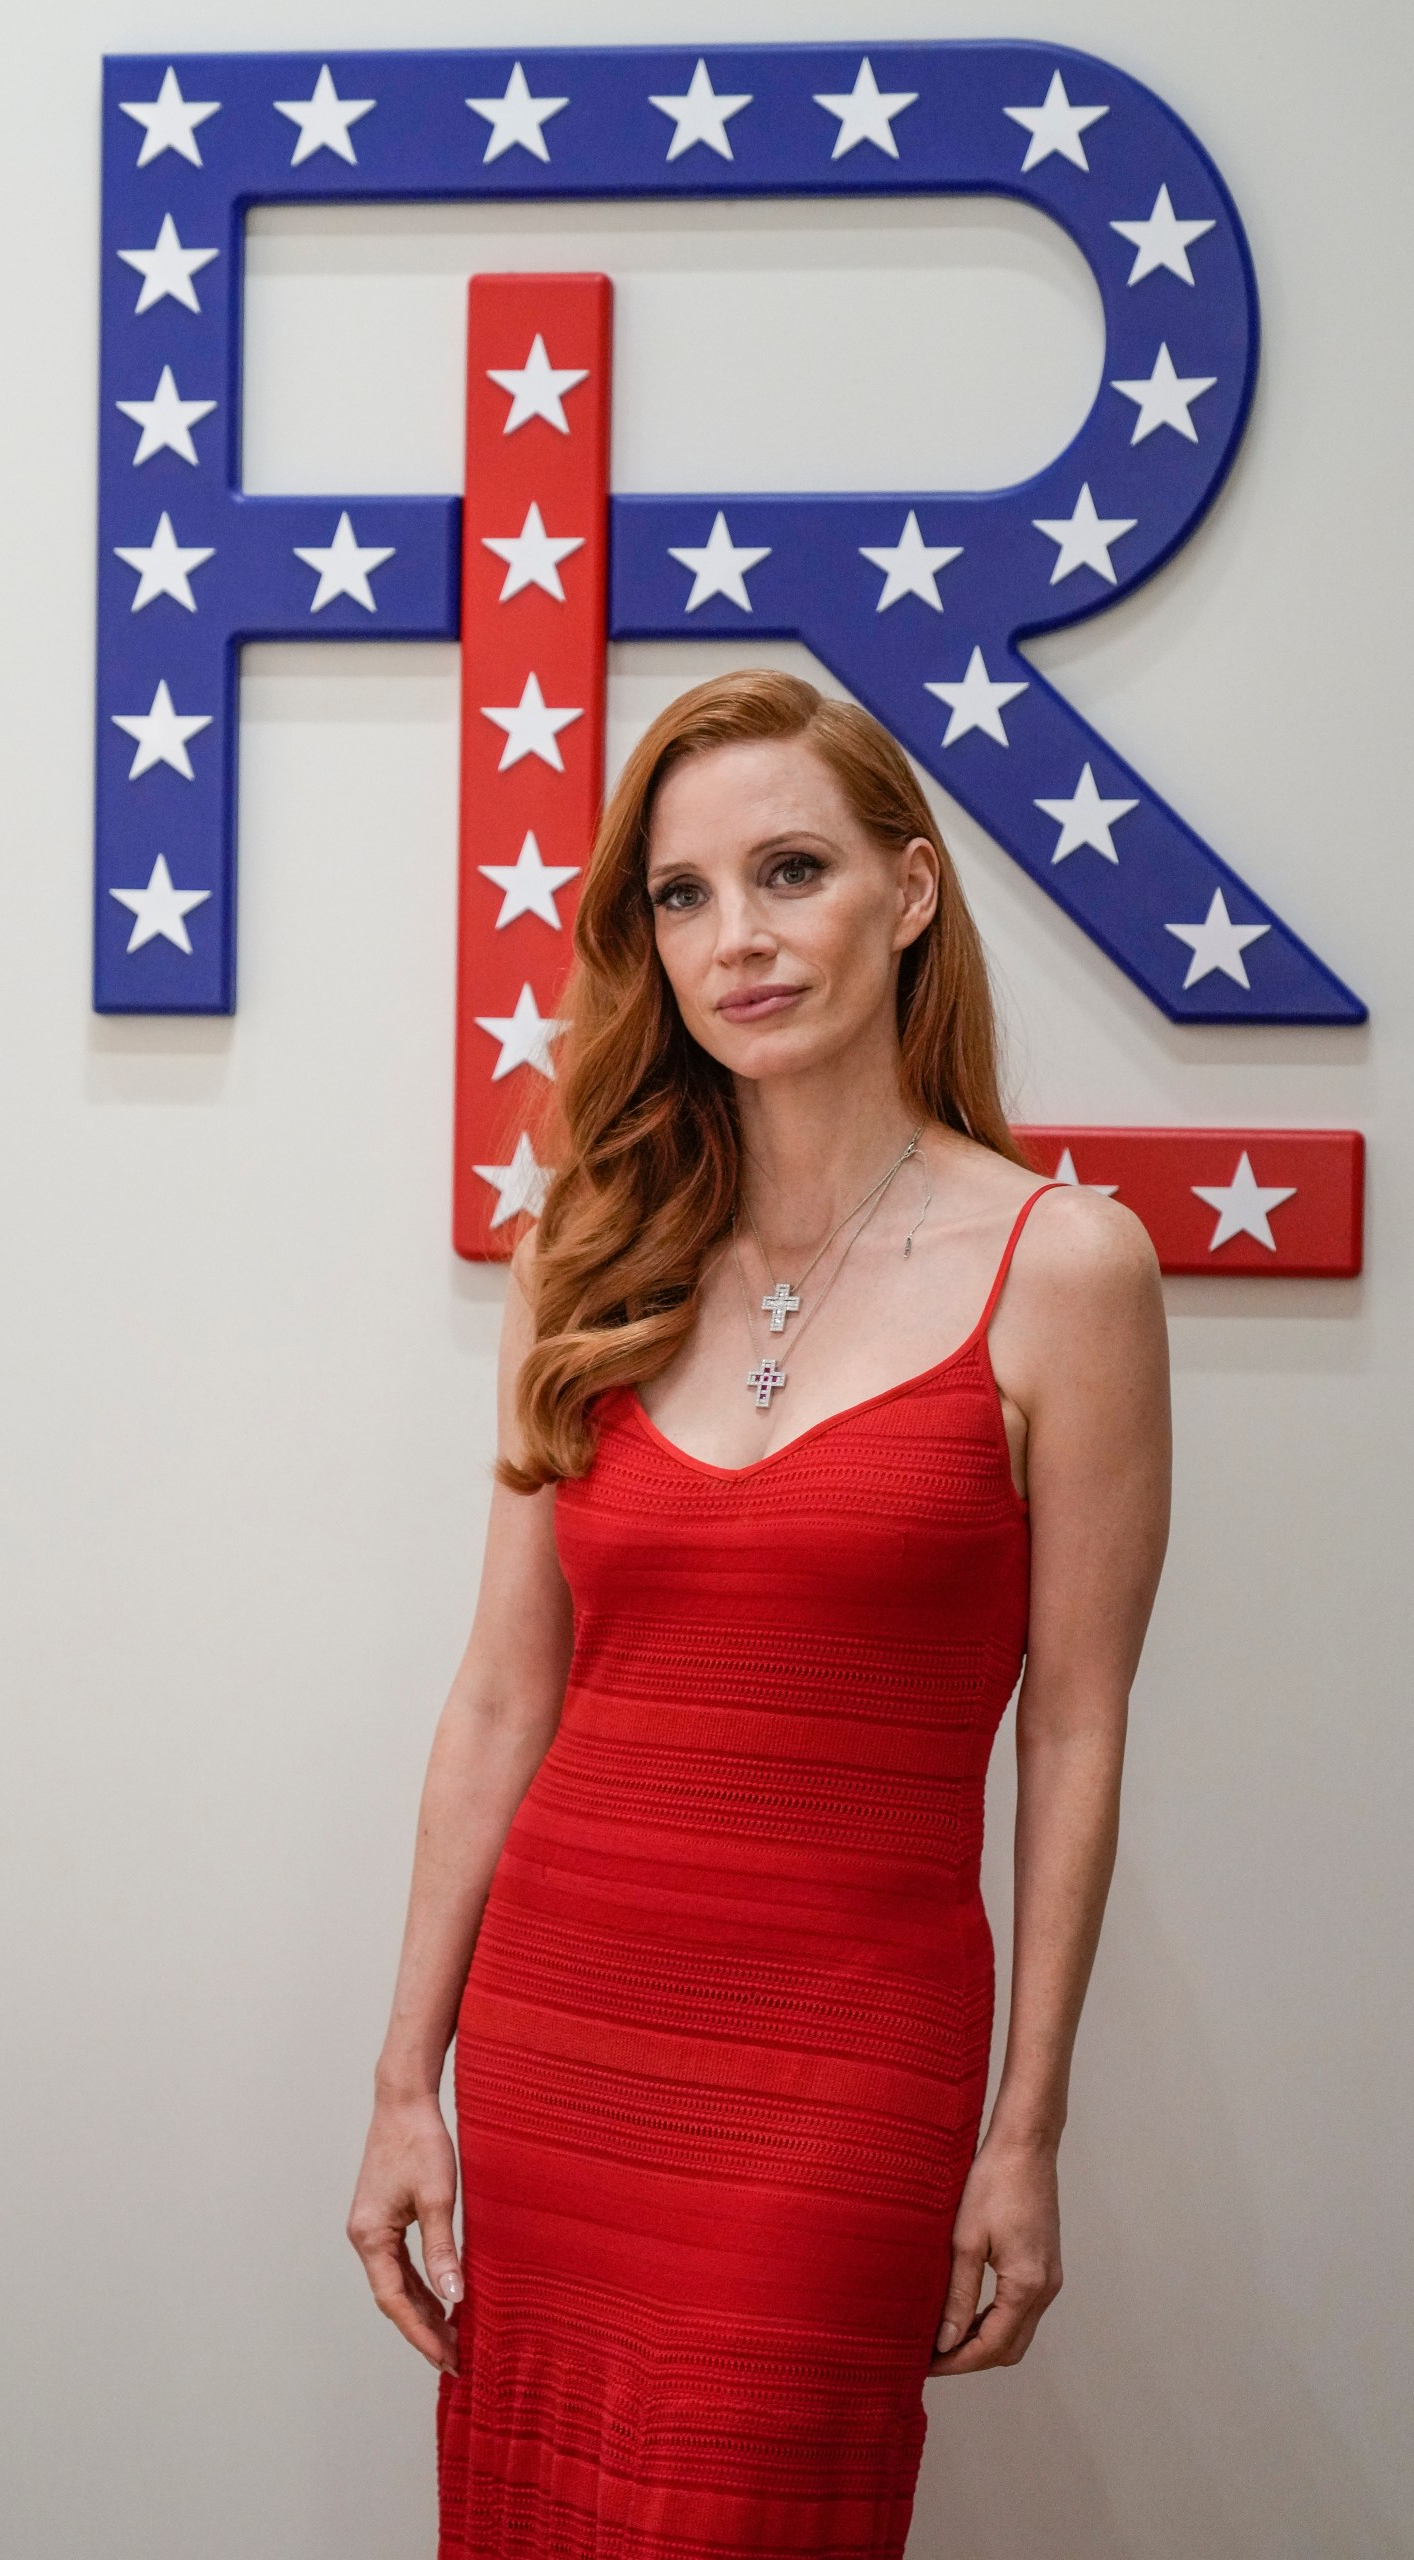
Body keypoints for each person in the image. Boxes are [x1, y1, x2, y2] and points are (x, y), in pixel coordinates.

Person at [348, 670, 1171, 2557]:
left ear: (909, 888)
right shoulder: (596, 1250)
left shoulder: (1068, 1270)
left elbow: (1077, 1728)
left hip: (844, 2068)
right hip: (559, 2037)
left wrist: (1026, 2126)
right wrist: (406, 2081)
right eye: (683, 895)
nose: (739, 939)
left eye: (788, 871)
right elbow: (498, 1697)